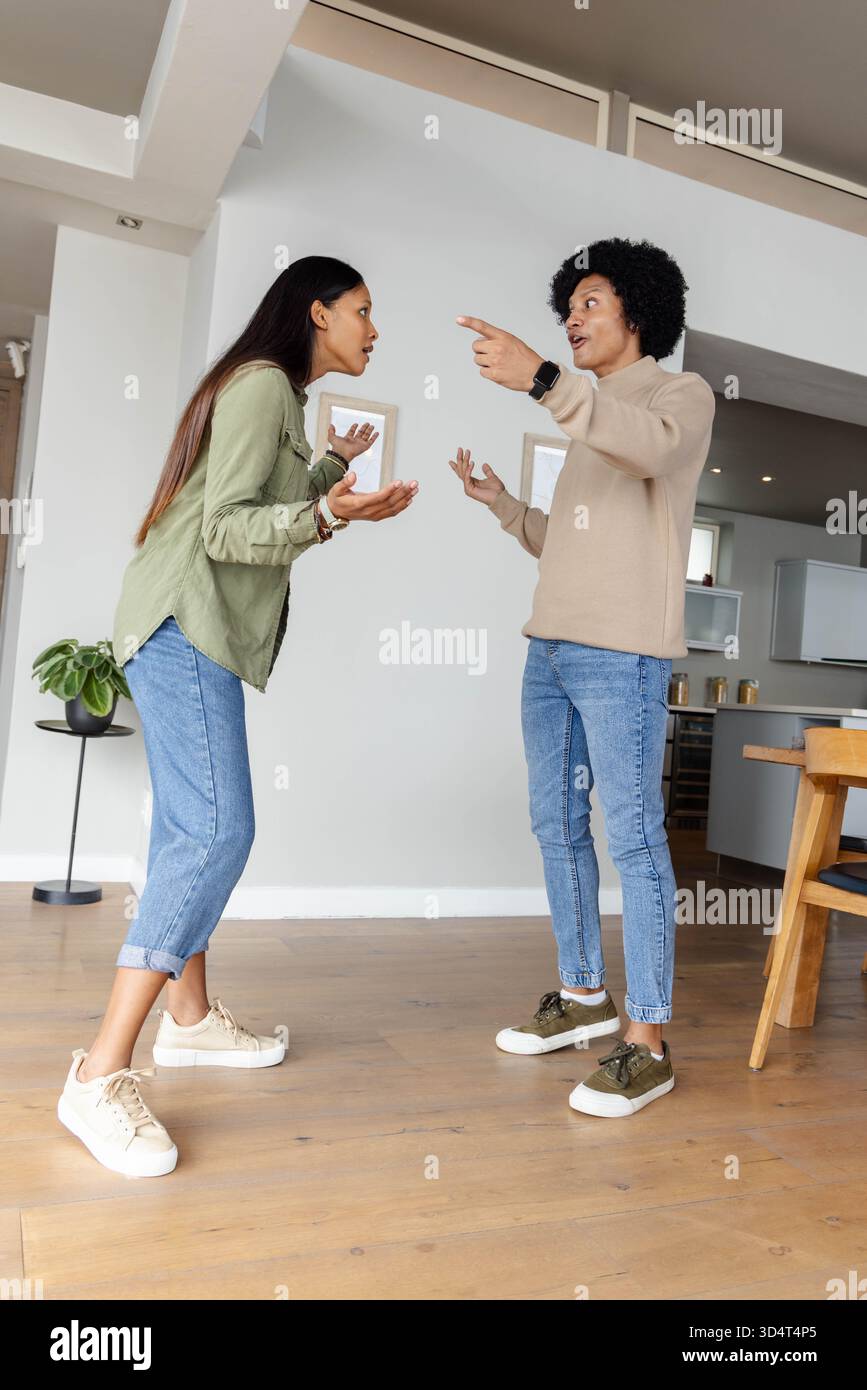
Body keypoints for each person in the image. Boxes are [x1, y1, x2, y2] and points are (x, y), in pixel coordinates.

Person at [57, 257, 418, 1176]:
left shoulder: (273, 398)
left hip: (177, 622)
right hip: (186, 623)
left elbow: (253, 505)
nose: (373, 330)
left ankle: (188, 1018)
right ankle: (100, 1074)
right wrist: (330, 516)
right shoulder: (263, 384)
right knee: (218, 829)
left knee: (188, 826)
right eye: (363, 312)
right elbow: (226, 530)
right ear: (317, 312)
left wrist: (332, 478)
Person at [450, 237, 716, 1117]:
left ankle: (647, 1039)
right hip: (551, 650)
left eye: (590, 303)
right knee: (555, 823)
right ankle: (582, 996)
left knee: (632, 837)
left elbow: (644, 450)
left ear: (636, 312)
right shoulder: (586, 416)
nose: (572, 318)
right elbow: (562, 547)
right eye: (569, 306)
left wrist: (540, 380)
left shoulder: (675, 399)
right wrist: (500, 506)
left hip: (622, 655)